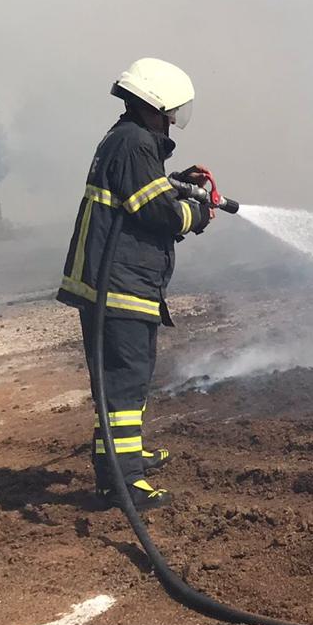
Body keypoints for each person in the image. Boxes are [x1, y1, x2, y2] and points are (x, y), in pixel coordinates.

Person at [56, 58, 214, 508]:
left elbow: (142, 195)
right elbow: (157, 213)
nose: (171, 121)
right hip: (120, 283)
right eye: (169, 112)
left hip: (123, 281)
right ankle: (123, 482)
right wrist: (196, 213)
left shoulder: (127, 140)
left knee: (127, 379)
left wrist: (175, 184)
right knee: (124, 383)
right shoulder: (135, 142)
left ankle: (123, 457)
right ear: (154, 104)